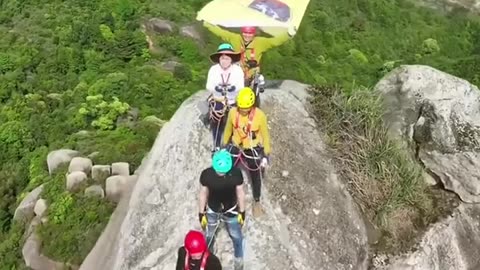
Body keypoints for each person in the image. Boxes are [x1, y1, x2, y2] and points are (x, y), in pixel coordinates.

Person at [222, 87, 270, 218]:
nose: (242, 110)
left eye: (245, 108)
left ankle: (257, 200)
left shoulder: (259, 116)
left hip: (252, 146)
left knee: (255, 172)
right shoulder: (233, 113)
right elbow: (228, 129)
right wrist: (223, 145)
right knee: (226, 169)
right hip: (237, 144)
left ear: (251, 106)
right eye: (241, 107)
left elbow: (265, 136)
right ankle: (228, 198)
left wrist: (266, 154)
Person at [203, 22, 297, 85]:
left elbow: (275, 41)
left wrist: (288, 34)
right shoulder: (235, 38)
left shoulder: (260, 42)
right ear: (242, 32)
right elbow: (221, 32)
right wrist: (207, 24)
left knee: (252, 96)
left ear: (254, 34)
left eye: (250, 33)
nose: (247, 35)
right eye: (245, 33)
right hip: (237, 74)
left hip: (252, 75)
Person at [198, 149, 246, 270]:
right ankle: (209, 261)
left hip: (231, 210)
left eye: (223, 171)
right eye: (219, 170)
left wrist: (242, 211)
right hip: (213, 209)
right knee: (209, 236)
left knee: (237, 237)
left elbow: (240, 193)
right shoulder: (207, 175)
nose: (220, 173)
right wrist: (201, 212)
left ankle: (239, 263)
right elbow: (203, 193)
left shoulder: (236, 174)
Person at [205, 43, 245, 150]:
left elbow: (240, 87)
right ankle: (217, 144)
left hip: (234, 100)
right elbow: (209, 86)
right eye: (222, 58)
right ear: (219, 59)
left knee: (237, 119)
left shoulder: (237, 70)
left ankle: (233, 143)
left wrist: (231, 95)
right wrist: (220, 96)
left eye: (227, 58)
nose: (224, 60)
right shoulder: (214, 70)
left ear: (231, 59)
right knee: (217, 117)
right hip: (218, 99)